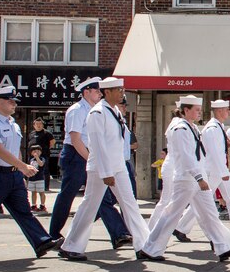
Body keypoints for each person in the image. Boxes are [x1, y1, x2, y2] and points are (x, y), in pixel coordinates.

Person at [58, 78, 150, 261]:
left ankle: (145, 245)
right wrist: (106, 173)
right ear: (107, 92)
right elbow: (98, 145)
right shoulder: (97, 113)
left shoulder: (114, 111)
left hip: (118, 166)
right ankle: (70, 245)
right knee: (89, 206)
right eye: (118, 90)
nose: (122, 93)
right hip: (101, 168)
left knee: (130, 204)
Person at [137, 96, 230, 263]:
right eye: (196, 110)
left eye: (199, 110)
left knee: (210, 213)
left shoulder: (191, 128)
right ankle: (150, 248)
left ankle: (224, 246)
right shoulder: (180, 129)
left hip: (197, 177)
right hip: (186, 178)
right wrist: (199, 177)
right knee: (171, 214)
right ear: (186, 110)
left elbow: (199, 155)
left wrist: (201, 175)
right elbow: (186, 156)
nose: (199, 113)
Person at [0, 86, 61, 260]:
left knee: (23, 211)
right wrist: (22, 166)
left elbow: (15, 151)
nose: (14, 104)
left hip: (13, 175)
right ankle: (41, 240)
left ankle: (41, 241)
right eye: (10, 101)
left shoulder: (13, 124)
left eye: (14, 101)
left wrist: (19, 172)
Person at [48, 77, 130, 247]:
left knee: (102, 198)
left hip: (91, 155)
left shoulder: (99, 109)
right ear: (86, 92)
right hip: (76, 156)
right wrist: (91, 160)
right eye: (96, 91)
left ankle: (119, 233)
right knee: (68, 195)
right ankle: (54, 233)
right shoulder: (77, 110)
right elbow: (75, 139)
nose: (100, 94)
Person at [173, 99, 230, 242]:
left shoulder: (218, 126)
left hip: (218, 170)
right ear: (219, 111)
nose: (228, 112)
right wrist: (223, 172)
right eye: (226, 110)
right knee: (204, 202)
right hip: (213, 171)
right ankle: (181, 227)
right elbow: (213, 152)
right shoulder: (212, 128)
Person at [27, 117, 55, 192]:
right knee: (31, 169)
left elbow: (52, 142)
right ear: (34, 125)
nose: (38, 125)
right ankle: (31, 185)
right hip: (32, 155)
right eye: (37, 124)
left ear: (43, 125)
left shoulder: (47, 133)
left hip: (43, 155)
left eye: (40, 124)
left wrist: (46, 149)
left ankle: (46, 187)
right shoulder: (32, 133)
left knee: (45, 170)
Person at [27, 146, 46, 212]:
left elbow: (41, 164)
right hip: (32, 178)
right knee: (33, 192)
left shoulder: (42, 158)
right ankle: (34, 205)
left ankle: (42, 205)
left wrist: (37, 157)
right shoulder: (31, 160)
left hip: (40, 178)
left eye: (38, 151)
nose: (36, 152)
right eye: (34, 151)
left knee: (41, 192)